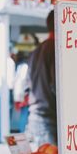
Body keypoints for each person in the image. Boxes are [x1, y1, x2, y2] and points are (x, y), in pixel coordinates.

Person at [26, 9, 56, 146]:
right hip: (49, 120)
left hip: (35, 117)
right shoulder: (56, 50)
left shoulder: (36, 51)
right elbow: (57, 86)